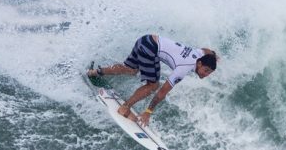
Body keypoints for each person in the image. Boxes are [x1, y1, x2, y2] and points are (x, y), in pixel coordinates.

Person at [87, 34, 217, 127]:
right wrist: (148, 112)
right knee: (153, 85)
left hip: (146, 39)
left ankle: (94, 73)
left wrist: (215, 56)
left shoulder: (199, 54)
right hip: (150, 49)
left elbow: (207, 51)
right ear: (199, 64)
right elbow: (161, 93)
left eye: (209, 73)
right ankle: (124, 108)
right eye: (205, 70)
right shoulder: (184, 68)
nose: (206, 75)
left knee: (131, 69)